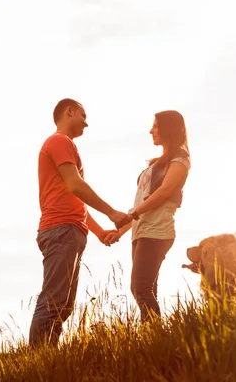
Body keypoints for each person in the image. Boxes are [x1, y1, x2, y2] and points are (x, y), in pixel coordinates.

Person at [29, 98, 132, 346]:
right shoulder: (60, 142)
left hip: (68, 229)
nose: (86, 122)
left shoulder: (64, 145)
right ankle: (35, 361)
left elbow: (75, 199)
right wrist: (112, 212)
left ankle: (47, 358)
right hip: (60, 230)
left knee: (63, 306)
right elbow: (76, 185)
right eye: (83, 115)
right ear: (69, 111)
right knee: (54, 301)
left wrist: (97, 232)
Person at [108, 110, 191, 322]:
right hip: (142, 232)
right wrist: (121, 230)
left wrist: (131, 215)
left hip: (157, 232)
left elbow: (163, 193)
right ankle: (151, 339)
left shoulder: (180, 159)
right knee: (147, 290)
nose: (151, 130)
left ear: (168, 128)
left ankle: (156, 338)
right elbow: (141, 204)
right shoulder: (156, 163)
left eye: (155, 126)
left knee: (140, 288)